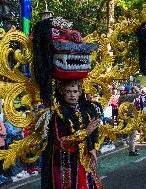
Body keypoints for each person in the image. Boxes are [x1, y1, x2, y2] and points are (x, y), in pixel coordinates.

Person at [32, 16, 102, 189]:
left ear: (80, 92)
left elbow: (93, 132)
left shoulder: (86, 108)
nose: (72, 95)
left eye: (75, 91)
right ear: (62, 93)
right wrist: (85, 132)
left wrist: (92, 146)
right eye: (69, 92)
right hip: (65, 166)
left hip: (84, 162)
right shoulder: (57, 112)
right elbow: (61, 142)